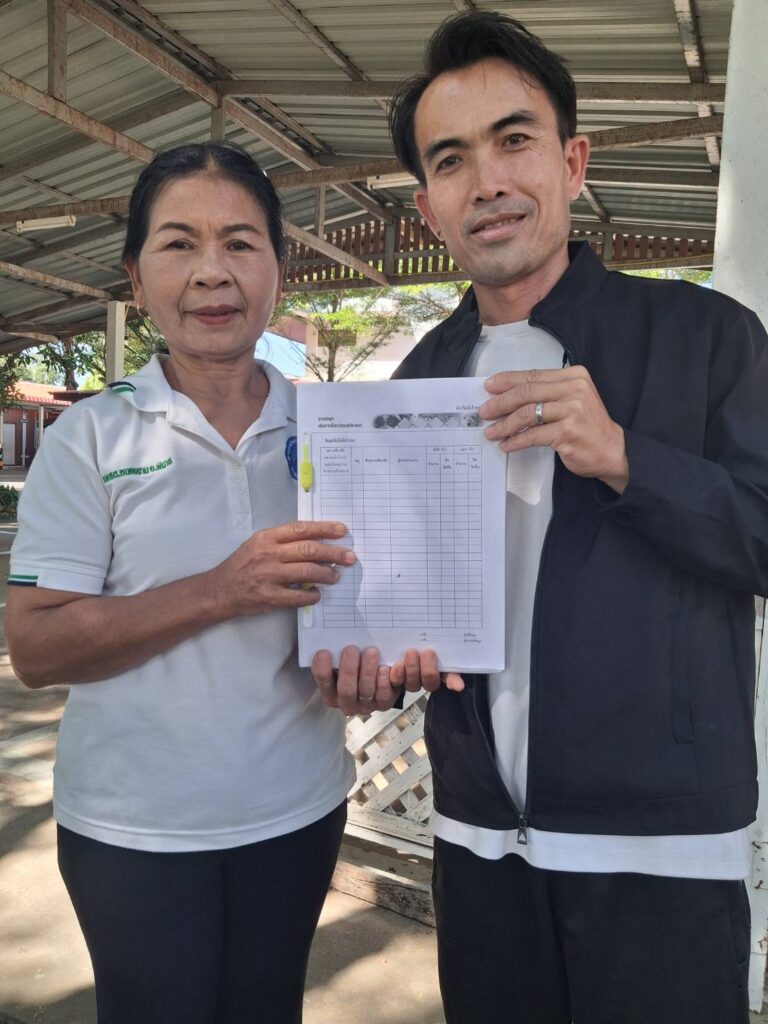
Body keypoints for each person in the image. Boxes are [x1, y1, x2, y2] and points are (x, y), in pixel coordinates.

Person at [313, 12, 768, 1023]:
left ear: (571, 162)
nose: (487, 181)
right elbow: (401, 596)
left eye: (514, 140)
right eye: (451, 160)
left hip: (659, 852)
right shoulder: (415, 381)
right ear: (428, 206)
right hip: (477, 841)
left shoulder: (704, 337)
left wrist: (626, 457)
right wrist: (373, 655)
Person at [5, 142, 362, 1024]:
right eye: (178, 244)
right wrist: (221, 589)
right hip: (134, 830)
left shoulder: (335, 431)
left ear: (280, 269)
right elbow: (37, 648)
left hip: (298, 809)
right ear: (136, 277)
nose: (212, 272)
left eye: (241, 242)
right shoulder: (93, 436)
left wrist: (377, 666)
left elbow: (373, 601)